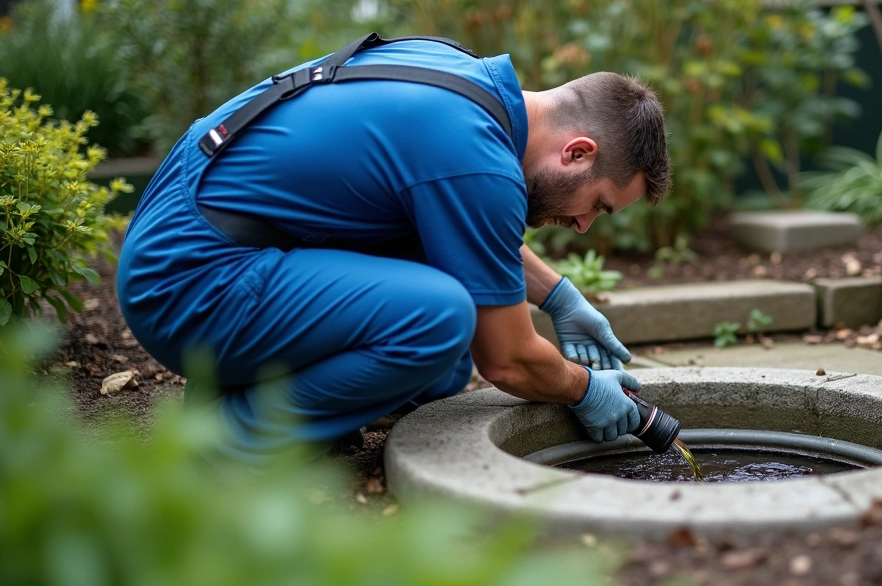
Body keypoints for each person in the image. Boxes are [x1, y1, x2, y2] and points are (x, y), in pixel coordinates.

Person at [116, 35, 671, 464]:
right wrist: (581, 389)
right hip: (187, 277)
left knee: (444, 364)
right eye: (597, 206)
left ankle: (270, 398)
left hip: (190, 232)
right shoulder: (476, 155)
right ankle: (225, 440)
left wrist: (559, 298)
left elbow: (464, 221)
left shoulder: (463, 83)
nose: (581, 226)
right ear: (577, 153)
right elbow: (508, 361)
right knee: (440, 320)